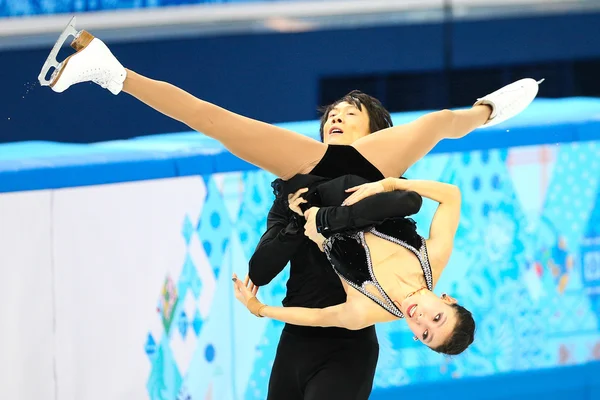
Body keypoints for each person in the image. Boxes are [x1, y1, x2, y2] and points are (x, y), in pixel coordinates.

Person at [42, 25, 541, 400]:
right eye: (334, 113)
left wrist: (269, 299)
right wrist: (389, 182)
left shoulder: (375, 306)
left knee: (435, 122)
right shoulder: (317, 163)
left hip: (360, 181)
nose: (338, 115)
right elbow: (447, 198)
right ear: (445, 299)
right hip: (361, 173)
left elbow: (329, 315)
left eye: (352, 112)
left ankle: (485, 111)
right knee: (215, 119)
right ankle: (111, 71)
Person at [234, 173, 473, 356]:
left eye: (425, 334)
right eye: (437, 318)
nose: (421, 318)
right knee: (411, 201)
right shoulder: (433, 258)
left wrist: (259, 308)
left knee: (259, 272)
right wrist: (389, 184)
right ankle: (321, 217)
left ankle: (305, 215)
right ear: (447, 299)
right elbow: (452, 196)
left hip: (315, 209)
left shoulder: (366, 311)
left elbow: (316, 317)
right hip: (353, 190)